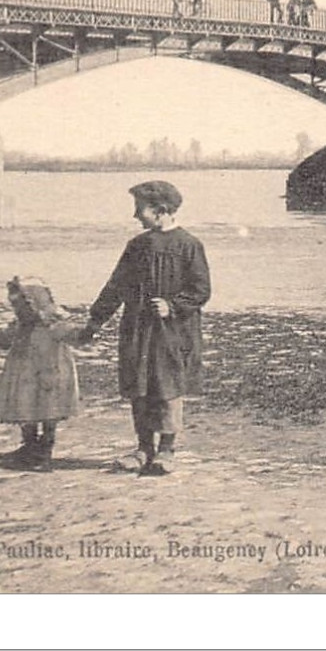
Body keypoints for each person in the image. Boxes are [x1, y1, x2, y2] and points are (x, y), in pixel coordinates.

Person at [79, 181, 210, 477]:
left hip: (173, 332)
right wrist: (95, 321)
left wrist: (173, 306)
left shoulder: (189, 245)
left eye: (140, 209)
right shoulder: (137, 246)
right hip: (137, 327)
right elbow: (115, 286)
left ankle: (166, 449)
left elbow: (202, 289)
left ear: (161, 210)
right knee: (139, 387)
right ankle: (143, 448)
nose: (135, 215)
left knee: (168, 387)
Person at [0, 276, 81, 472]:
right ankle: (29, 444)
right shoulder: (21, 325)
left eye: (18, 304)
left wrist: (83, 331)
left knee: (49, 409)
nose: (15, 309)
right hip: (24, 375)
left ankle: (45, 448)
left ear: (34, 302)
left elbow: (74, 335)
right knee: (25, 407)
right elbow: (5, 340)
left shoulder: (52, 323)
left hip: (50, 372)